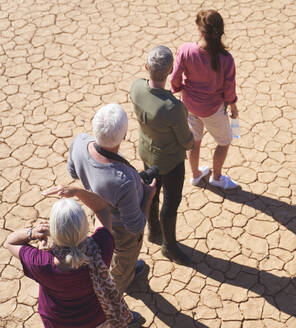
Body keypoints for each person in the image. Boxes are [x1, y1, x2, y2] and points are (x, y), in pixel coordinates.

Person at [4, 185, 146, 328]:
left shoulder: (42, 263)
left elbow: (10, 242)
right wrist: (78, 192)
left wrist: (33, 232)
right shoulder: (101, 247)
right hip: (98, 317)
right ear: (84, 226)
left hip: (60, 323)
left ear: (52, 229)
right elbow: (102, 209)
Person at [67, 104, 156, 292]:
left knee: (109, 252)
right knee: (122, 262)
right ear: (123, 136)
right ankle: (119, 296)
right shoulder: (124, 180)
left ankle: (127, 269)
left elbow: (73, 171)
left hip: (97, 214)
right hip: (121, 230)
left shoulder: (80, 142)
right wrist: (148, 196)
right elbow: (135, 226)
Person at [130, 45, 194, 265]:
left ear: (146, 67)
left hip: (146, 152)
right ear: (170, 71)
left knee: (152, 192)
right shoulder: (173, 107)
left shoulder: (136, 88)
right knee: (171, 201)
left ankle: (153, 230)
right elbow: (187, 141)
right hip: (170, 162)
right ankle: (170, 246)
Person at [170, 9, 239, 190]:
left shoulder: (186, 50)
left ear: (200, 31)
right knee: (224, 142)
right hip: (213, 109)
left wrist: (178, 89)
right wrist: (233, 105)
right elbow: (229, 88)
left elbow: (174, 78)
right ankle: (216, 178)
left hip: (189, 105)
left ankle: (195, 175)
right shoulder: (226, 59)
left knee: (194, 141)